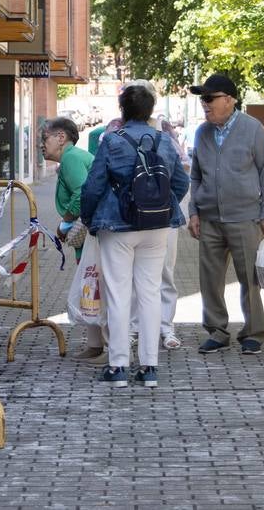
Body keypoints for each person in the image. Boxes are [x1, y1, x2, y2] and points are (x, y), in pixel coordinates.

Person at [80, 84, 190, 388]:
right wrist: (160, 205)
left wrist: (89, 218)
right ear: (150, 110)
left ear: (122, 110)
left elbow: (94, 185)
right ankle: (150, 367)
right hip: (157, 227)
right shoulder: (164, 141)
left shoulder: (112, 141)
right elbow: (182, 181)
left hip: (117, 226)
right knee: (150, 292)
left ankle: (118, 367)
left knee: (118, 294)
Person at [186, 73, 264, 355]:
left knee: (250, 279)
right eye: (203, 99)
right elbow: (196, 177)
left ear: (229, 100)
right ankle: (217, 331)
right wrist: (193, 211)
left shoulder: (253, 129)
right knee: (209, 280)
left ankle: (253, 332)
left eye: (209, 98)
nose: (205, 104)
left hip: (245, 218)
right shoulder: (202, 132)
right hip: (210, 219)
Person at [42, 117, 101, 360]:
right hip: (91, 233)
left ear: (61, 137)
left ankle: (102, 345)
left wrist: (65, 223)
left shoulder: (72, 158)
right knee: (92, 285)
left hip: (90, 234)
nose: (41, 144)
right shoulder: (72, 158)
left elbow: (82, 192)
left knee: (93, 285)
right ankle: (96, 344)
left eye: (45, 138)